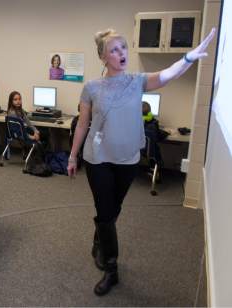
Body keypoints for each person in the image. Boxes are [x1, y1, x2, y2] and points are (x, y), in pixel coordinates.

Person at [67, 27, 216, 296]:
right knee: (105, 209)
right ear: (103, 57)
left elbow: (167, 76)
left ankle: (99, 236)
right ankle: (111, 268)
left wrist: (189, 58)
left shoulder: (138, 81)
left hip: (128, 159)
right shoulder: (90, 87)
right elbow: (82, 125)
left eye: (123, 47)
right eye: (114, 49)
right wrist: (72, 156)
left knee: (111, 210)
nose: (121, 53)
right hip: (97, 158)